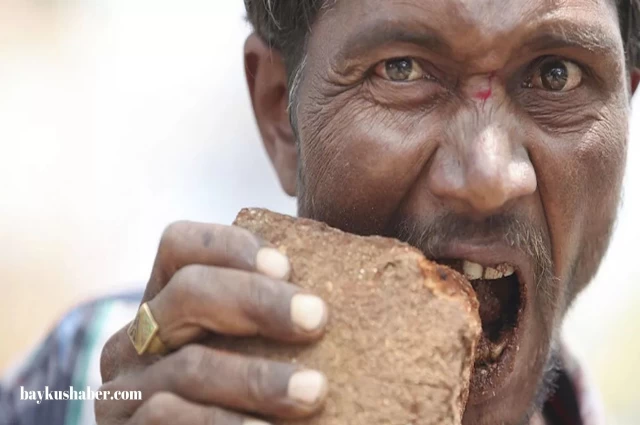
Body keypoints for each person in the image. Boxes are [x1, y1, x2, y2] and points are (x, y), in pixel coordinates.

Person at [2, 0, 640, 424]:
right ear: (281, 113)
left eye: (557, 74)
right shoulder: (75, 385)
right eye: (402, 68)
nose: (488, 177)